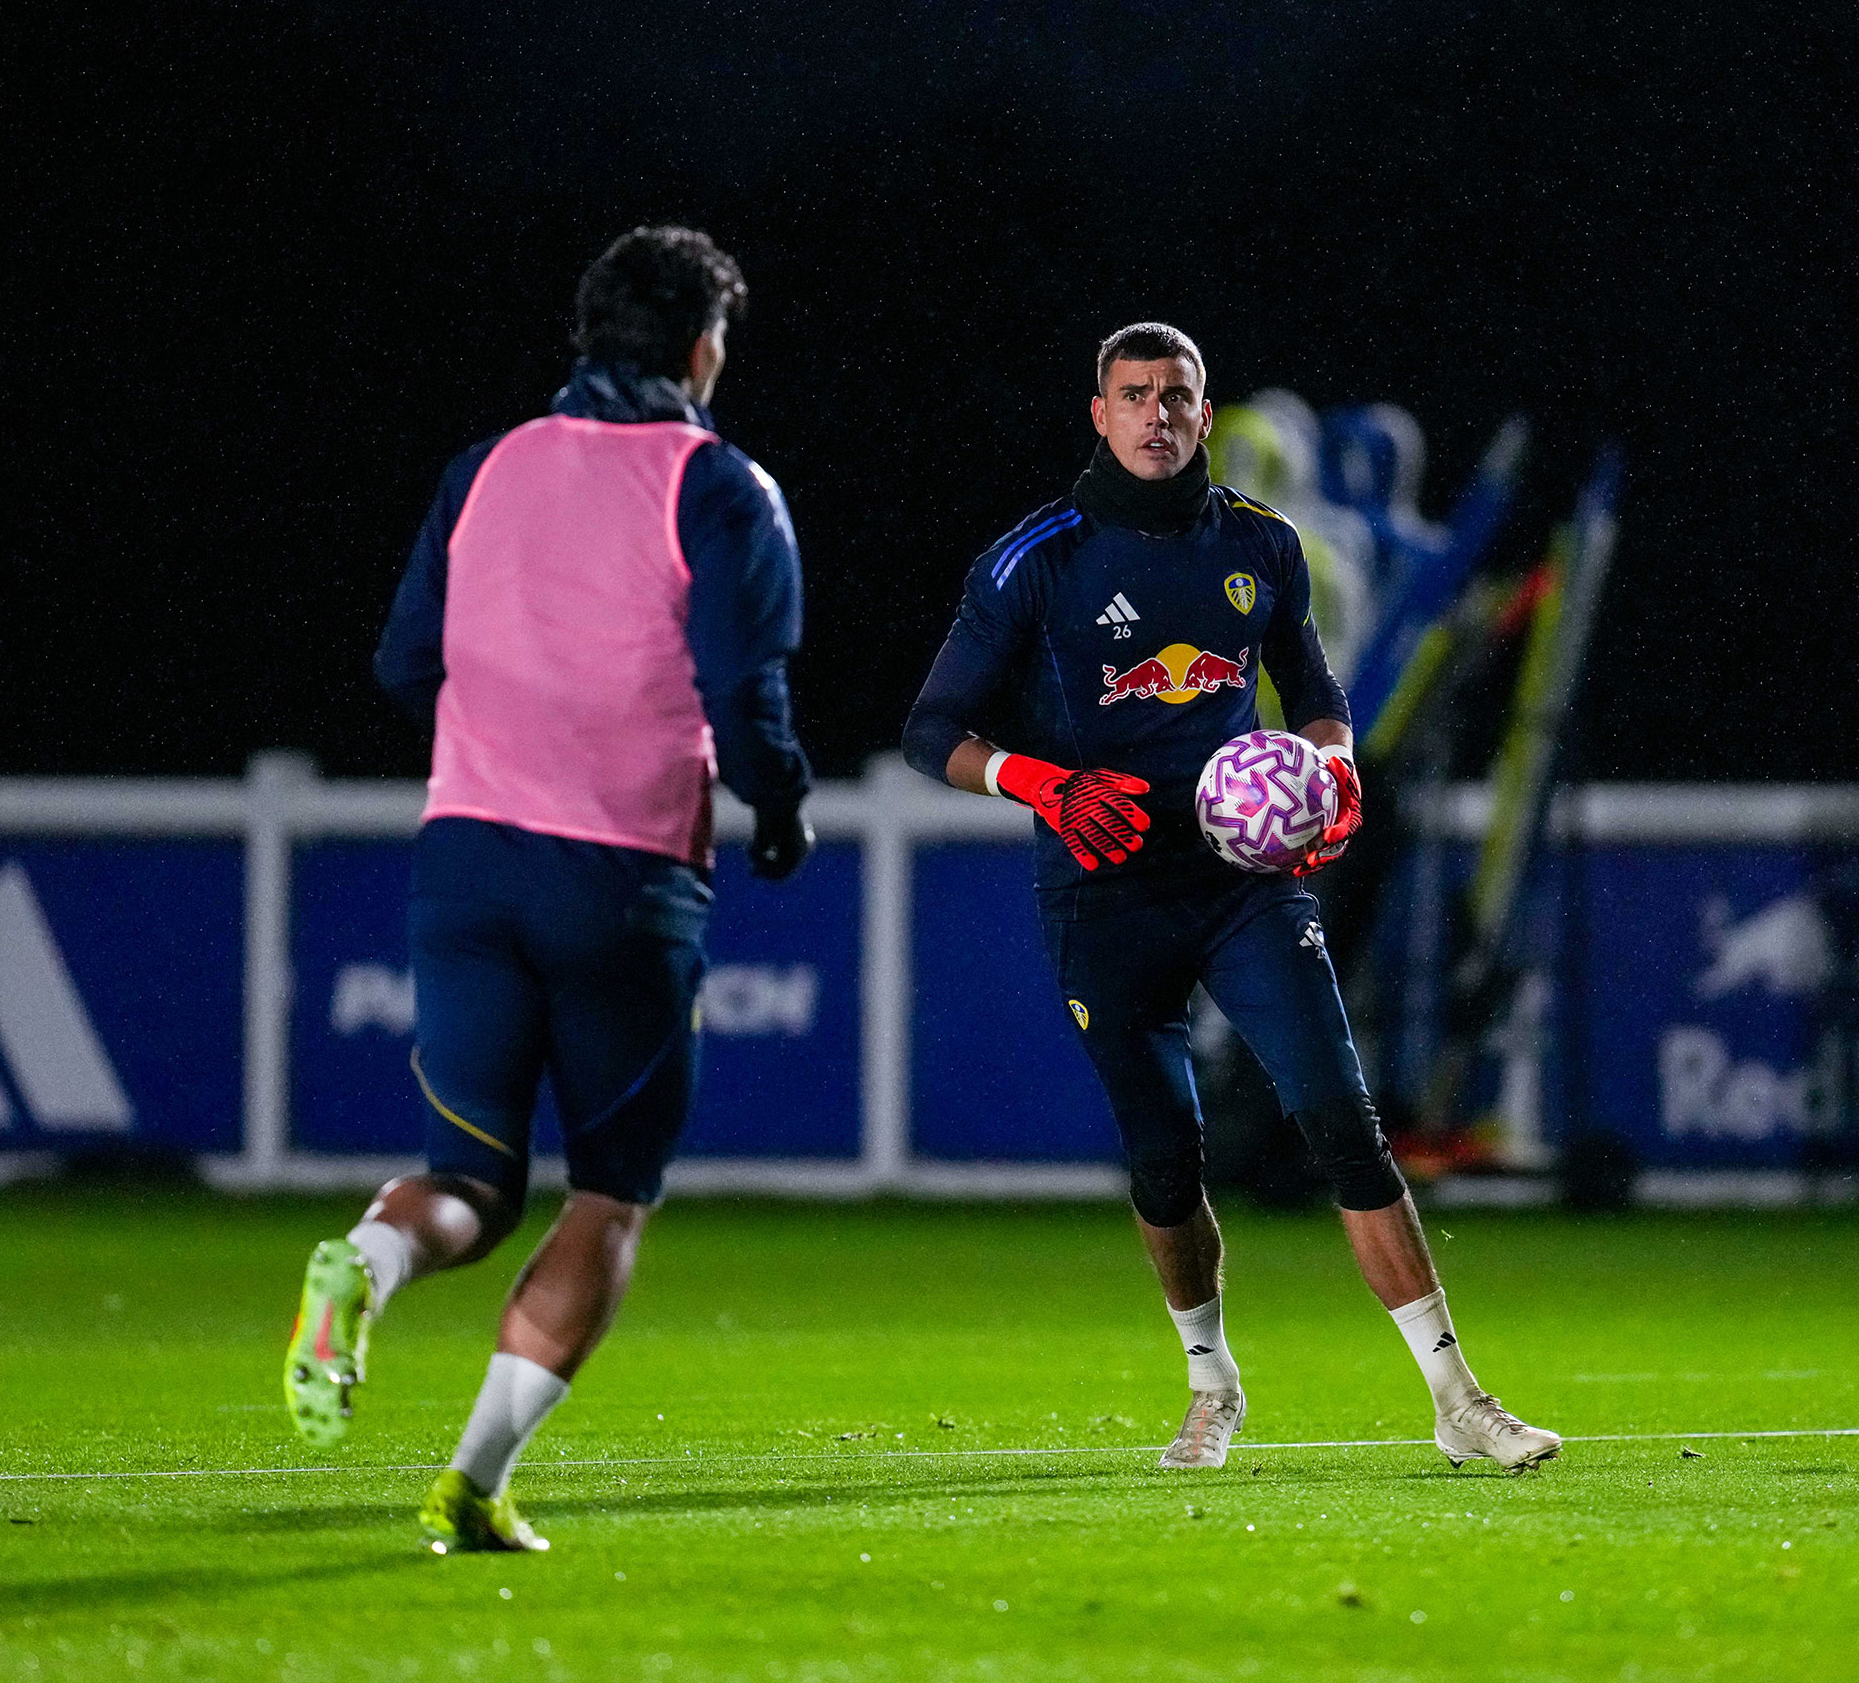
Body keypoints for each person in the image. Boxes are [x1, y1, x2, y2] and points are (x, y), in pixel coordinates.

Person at [901, 323, 1561, 1473]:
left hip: (1244, 882)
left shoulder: (1264, 544)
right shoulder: (1035, 559)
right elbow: (929, 731)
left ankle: (1460, 1398)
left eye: (1178, 395)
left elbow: (1315, 696)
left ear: (1207, 417)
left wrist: (1335, 771)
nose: (1157, 413)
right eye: (1134, 394)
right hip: (1102, 892)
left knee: (1343, 1122)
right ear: (1099, 415)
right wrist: (1042, 781)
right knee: (1164, 1158)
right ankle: (1212, 1383)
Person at [283, 226, 817, 1552]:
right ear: (703, 346)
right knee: (610, 1188)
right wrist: (783, 806)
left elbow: (408, 661)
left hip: (463, 856)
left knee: (467, 1174)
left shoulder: (486, 465)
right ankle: (471, 1481)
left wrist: (505, 736)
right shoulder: (719, 484)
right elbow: (745, 698)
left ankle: (370, 1258)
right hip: (625, 872)